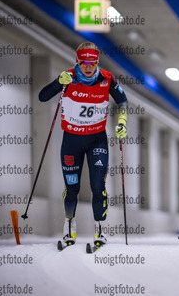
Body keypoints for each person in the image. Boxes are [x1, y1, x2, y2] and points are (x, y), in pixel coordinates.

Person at [38, 42, 128, 248]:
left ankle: (99, 230)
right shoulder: (67, 78)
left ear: (97, 61)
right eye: (84, 62)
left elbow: (122, 101)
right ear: (77, 61)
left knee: (98, 185)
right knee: (72, 188)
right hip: (72, 140)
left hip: (97, 139)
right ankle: (69, 227)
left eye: (93, 62)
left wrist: (122, 121)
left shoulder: (107, 79)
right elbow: (42, 97)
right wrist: (56, 84)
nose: (88, 67)